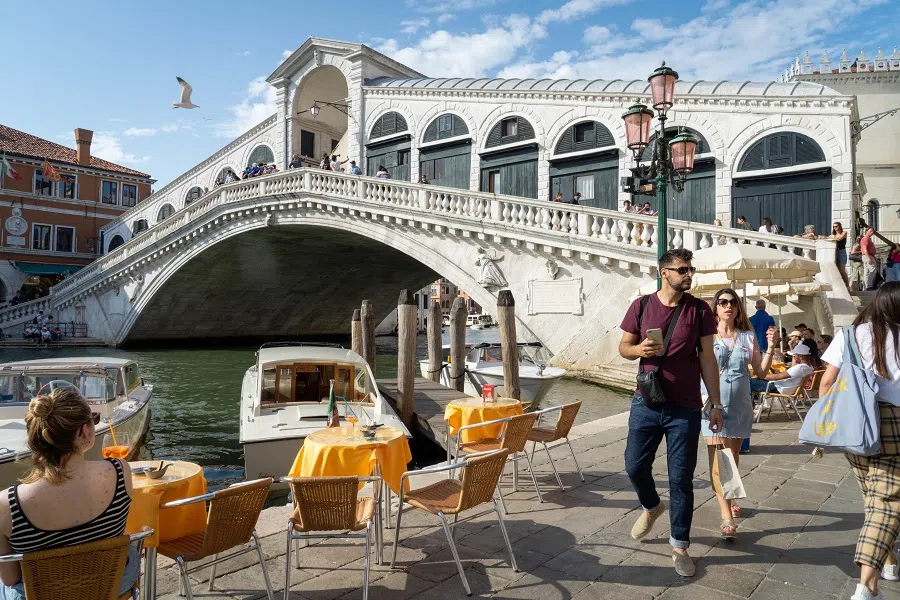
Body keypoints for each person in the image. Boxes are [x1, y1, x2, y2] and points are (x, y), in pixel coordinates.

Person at [619, 248, 722, 577]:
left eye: (691, 269)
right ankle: (651, 506)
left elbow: (707, 358)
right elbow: (623, 347)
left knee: (681, 479)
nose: (688, 274)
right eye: (682, 269)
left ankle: (679, 545)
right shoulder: (642, 306)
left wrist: (715, 402)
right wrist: (638, 349)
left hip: (686, 407)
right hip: (646, 402)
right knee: (634, 467)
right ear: (664, 272)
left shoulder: (700, 310)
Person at [0, 389, 138, 599]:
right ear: (84, 431)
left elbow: (10, 578)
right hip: (110, 589)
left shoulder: (5, 504)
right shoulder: (121, 471)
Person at [819, 282, 900, 600]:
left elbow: (827, 383)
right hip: (894, 424)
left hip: (855, 424)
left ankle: (889, 562)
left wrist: (831, 424)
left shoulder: (850, 334)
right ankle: (867, 585)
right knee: (888, 503)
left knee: (875, 500)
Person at [702, 288, 777, 540]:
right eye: (722, 302)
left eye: (733, 302)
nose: (728, 306)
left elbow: (761, 372)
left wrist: (771, 348)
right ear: (715, 308)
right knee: (719, 461)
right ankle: (727, 517)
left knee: (732, 457)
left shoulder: (747, 336)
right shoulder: (706, 337)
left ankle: (730, 496)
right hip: (713, 407)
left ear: (738, 308)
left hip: (740, 405)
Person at [832, 222, 851, 290]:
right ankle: (842, 285)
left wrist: (829, 237)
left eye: (836, 226)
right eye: (834, 227)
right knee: (837, 270)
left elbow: (839, 239)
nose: (835, 228)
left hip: (842, 251)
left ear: (840, 226)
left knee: (842, 270)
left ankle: (847, 285)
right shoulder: (834, 235)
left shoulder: (844, 233)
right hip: (835, 252)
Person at [862, 227, 878, 291]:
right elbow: (864, 248)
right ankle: (869, 286)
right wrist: (869, 258)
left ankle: (866, 287)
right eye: (871, 231)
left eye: (873, 231)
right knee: (873, 270)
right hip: (867, 256)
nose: (872, 232)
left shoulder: (868, 238)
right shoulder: (866, 238)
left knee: (866, 272)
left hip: (869, 256)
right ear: (866, 231)